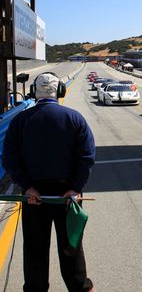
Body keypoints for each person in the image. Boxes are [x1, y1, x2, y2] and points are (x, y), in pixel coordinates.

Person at [2, 72, 95, 292]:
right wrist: (74, 187)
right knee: (71, 246)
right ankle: (80, 287)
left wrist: (28, 186)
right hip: (67, 196)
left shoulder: (19, 121)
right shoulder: (75, 118)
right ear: (60, 90)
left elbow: (9, 159)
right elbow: (87, 157)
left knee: (35, 248)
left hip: (34, 196)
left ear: (34, 92)